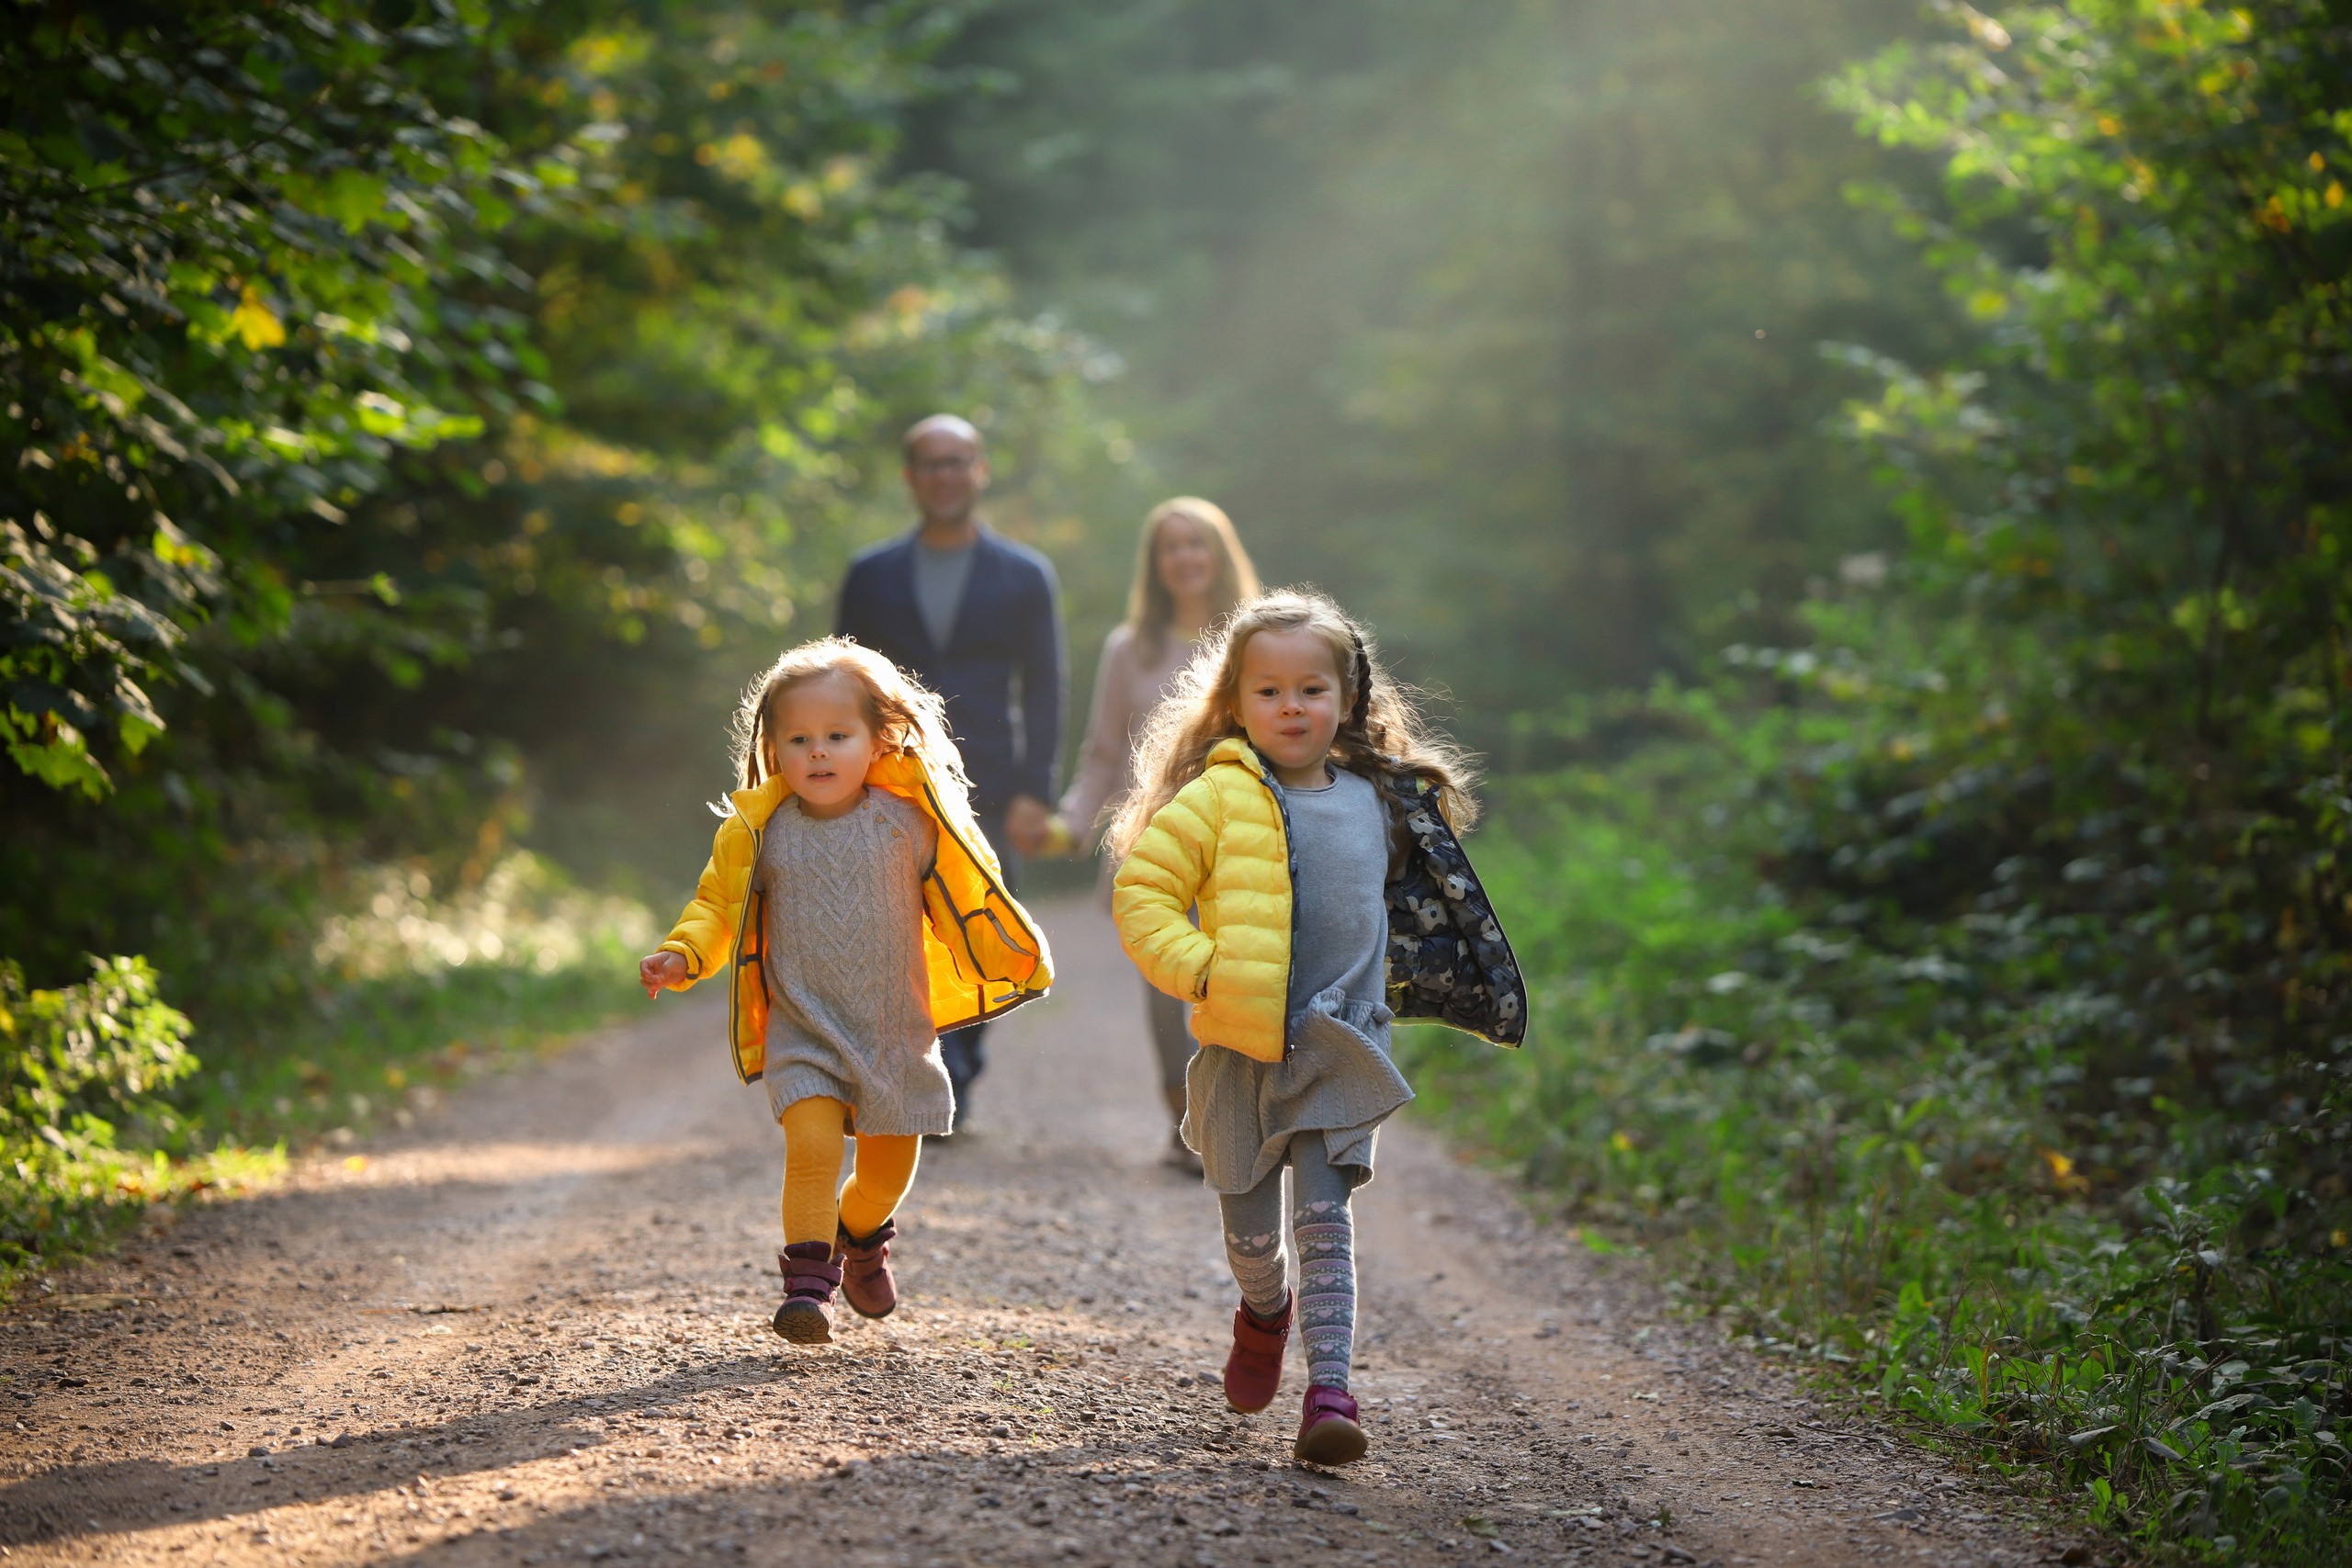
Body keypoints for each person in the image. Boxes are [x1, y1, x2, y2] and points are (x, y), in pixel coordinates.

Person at [1109, 590, 1527, 1466]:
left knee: (1326, 1219)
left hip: (1342, 1040)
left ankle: (1330, 1392)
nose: (1290, 707)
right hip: (1241, 1045)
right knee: (1253, 1239)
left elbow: (1428, 905)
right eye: (1268, 691)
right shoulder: (1215, 799)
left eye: (1311, 689)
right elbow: (1143, 895)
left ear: (1347, 699)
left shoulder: (1382, 801)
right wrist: (1201, 967)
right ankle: (1264, 1313)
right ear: (1236, 702)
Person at [636, 639, 1053, 1344]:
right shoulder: (759, 835)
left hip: (894, 1035)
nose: (818, 753)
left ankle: (860, 1237)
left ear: (877, 738)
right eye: (799, 739)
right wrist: (682, 953)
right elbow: (716, 907)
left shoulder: (911, 823)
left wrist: (1004, 952)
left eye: (837, 736)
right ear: (773, 747)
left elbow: (965, 891)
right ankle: (808, 1288)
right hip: (804, 1033)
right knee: (812, 1147)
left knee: (884, 1176)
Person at [835, 414, 1064, 1130]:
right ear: (910, 477)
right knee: (892, 933)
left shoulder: (1026, 575)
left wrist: (1036, 791)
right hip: (889, 782)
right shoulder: (870, 576)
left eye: (957, 461)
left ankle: (959, 1073)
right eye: (930, 464)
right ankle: (915, 1077)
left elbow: (1047, 685)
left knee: (980, 928)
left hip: (991, 785)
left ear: (980, 470)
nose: (944, 475)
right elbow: (839, 680)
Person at [1054, 499, 1261, 1174]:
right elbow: (1102, 753)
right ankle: (1186, 1122)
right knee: (1170, 988)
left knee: (1236, 982)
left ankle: (1238, 1116)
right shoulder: (1128, 648)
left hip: (1241, 841)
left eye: (1196, 544)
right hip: (1155, 845)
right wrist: (1072, 823)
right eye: (1170, 547)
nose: (1184, 558)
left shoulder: (1254, 642)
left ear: (1218, 554)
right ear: (1155, 564)